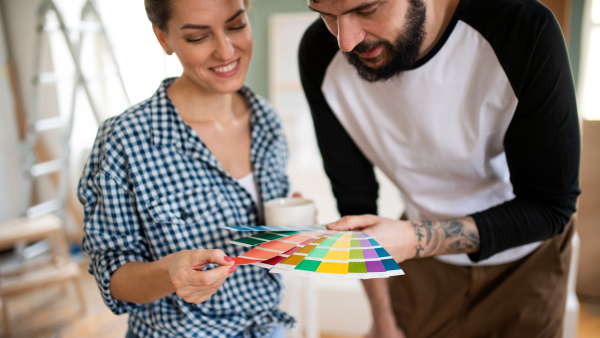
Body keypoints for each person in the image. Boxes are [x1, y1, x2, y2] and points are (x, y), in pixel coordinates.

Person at [298, 0, 580, 337]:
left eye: (368, 9)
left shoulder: (522, 30)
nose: (346, 40)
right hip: (418, 266)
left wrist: (414, 239)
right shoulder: (319, 54)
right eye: (327, 15)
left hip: (525, 259)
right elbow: (355, 205)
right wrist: (383, 319)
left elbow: (552, 206)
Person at [78, 0, 294, 337]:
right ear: (163, 39)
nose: (226, 51)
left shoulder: (266, 120)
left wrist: (294, 225)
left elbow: (271, 245)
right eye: (198, 38)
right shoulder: (125, 139)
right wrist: (169, 274)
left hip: (269, 327)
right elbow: (113, 277)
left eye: (236, 26)